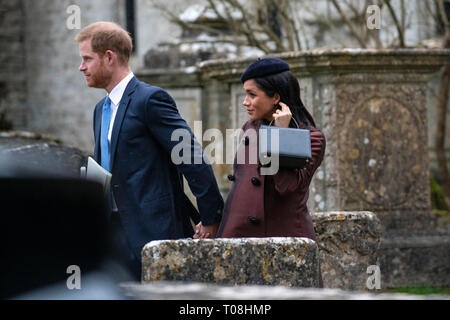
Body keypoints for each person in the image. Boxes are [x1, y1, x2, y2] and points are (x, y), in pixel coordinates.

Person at [75, 21, 223, 280]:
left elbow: (189, 155)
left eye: (87, 59)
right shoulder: (100, 110)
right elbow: (106, 168)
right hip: (113, 237)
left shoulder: (150, 99)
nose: (81, 67)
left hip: (154, 233)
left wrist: (211, 217)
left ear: (109, 56)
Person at [216, 57, 326, 248]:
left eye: (252, 95)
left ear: (275, 97)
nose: (245, 102)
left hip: (285, 243)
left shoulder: (312, 138)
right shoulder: (249, 128)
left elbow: (287, 187)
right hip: (239, 239)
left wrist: (280, 134)